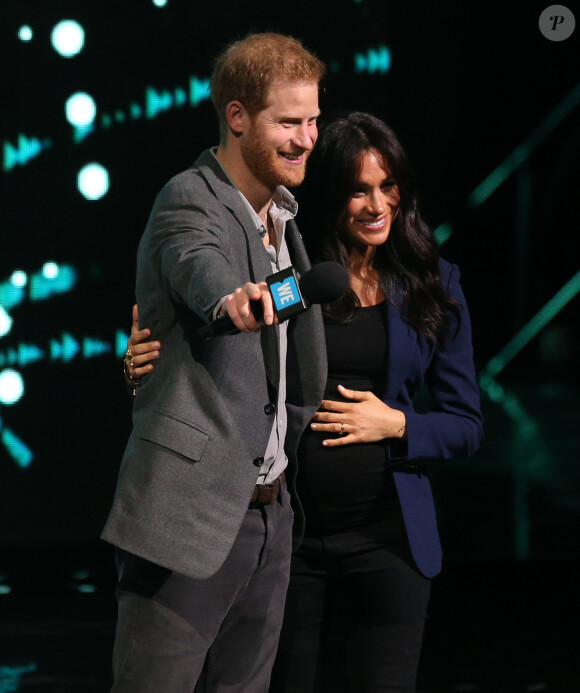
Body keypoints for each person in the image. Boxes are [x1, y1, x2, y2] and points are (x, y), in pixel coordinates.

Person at [126, 112, 483, 692]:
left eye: (387, 187)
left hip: (388, 542)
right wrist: (142, 363)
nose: (376, 205)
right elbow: (218, 347)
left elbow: (466, 425)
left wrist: (398, 424)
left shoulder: (434, 283)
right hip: (292, 543)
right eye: (358, 190)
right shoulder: (296, 274)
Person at [103, 33, 327, 693]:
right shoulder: (190, 198)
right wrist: (232, 301)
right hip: (190, 521)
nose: (307, 137)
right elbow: (201, 270)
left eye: (313, 120)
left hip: (269, 518)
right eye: (288, 122)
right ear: (237, 117)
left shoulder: (284, 218)